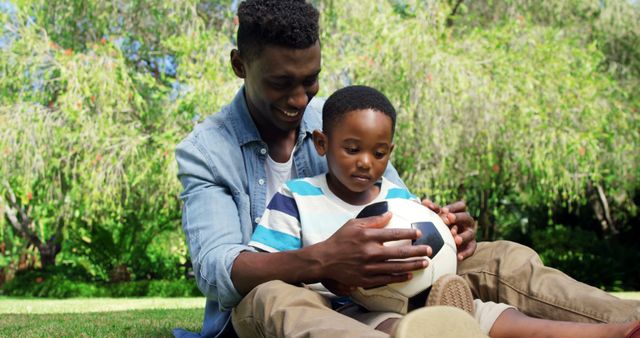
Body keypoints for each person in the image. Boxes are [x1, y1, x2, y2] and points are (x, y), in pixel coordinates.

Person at [174, 0, 640, 337]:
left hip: (377, 290)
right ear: (240, 65)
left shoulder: (336, 124)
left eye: (310, 79)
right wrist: (324, 259)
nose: (300, 99)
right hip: (280, 303)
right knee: (275, 297)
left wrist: (442, 229)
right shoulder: (206, 150)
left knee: (503, 258)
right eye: (281, 83)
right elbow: (216, 269)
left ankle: (625, 325)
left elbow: (394, 204)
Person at [247, 84, 640, 338]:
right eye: (352, 149)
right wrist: (328, 269)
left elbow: (424, 251)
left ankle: (614, 332)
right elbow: (270, 266)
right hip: (352, 309)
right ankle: (441, 329)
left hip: (418, 295)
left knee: (497, 315)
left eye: (379, 153)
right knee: (392, 327)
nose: (366, 162)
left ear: (390, 153)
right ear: (321, 143)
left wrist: (446, 235)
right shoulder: (296, 198)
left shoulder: (399, 199)